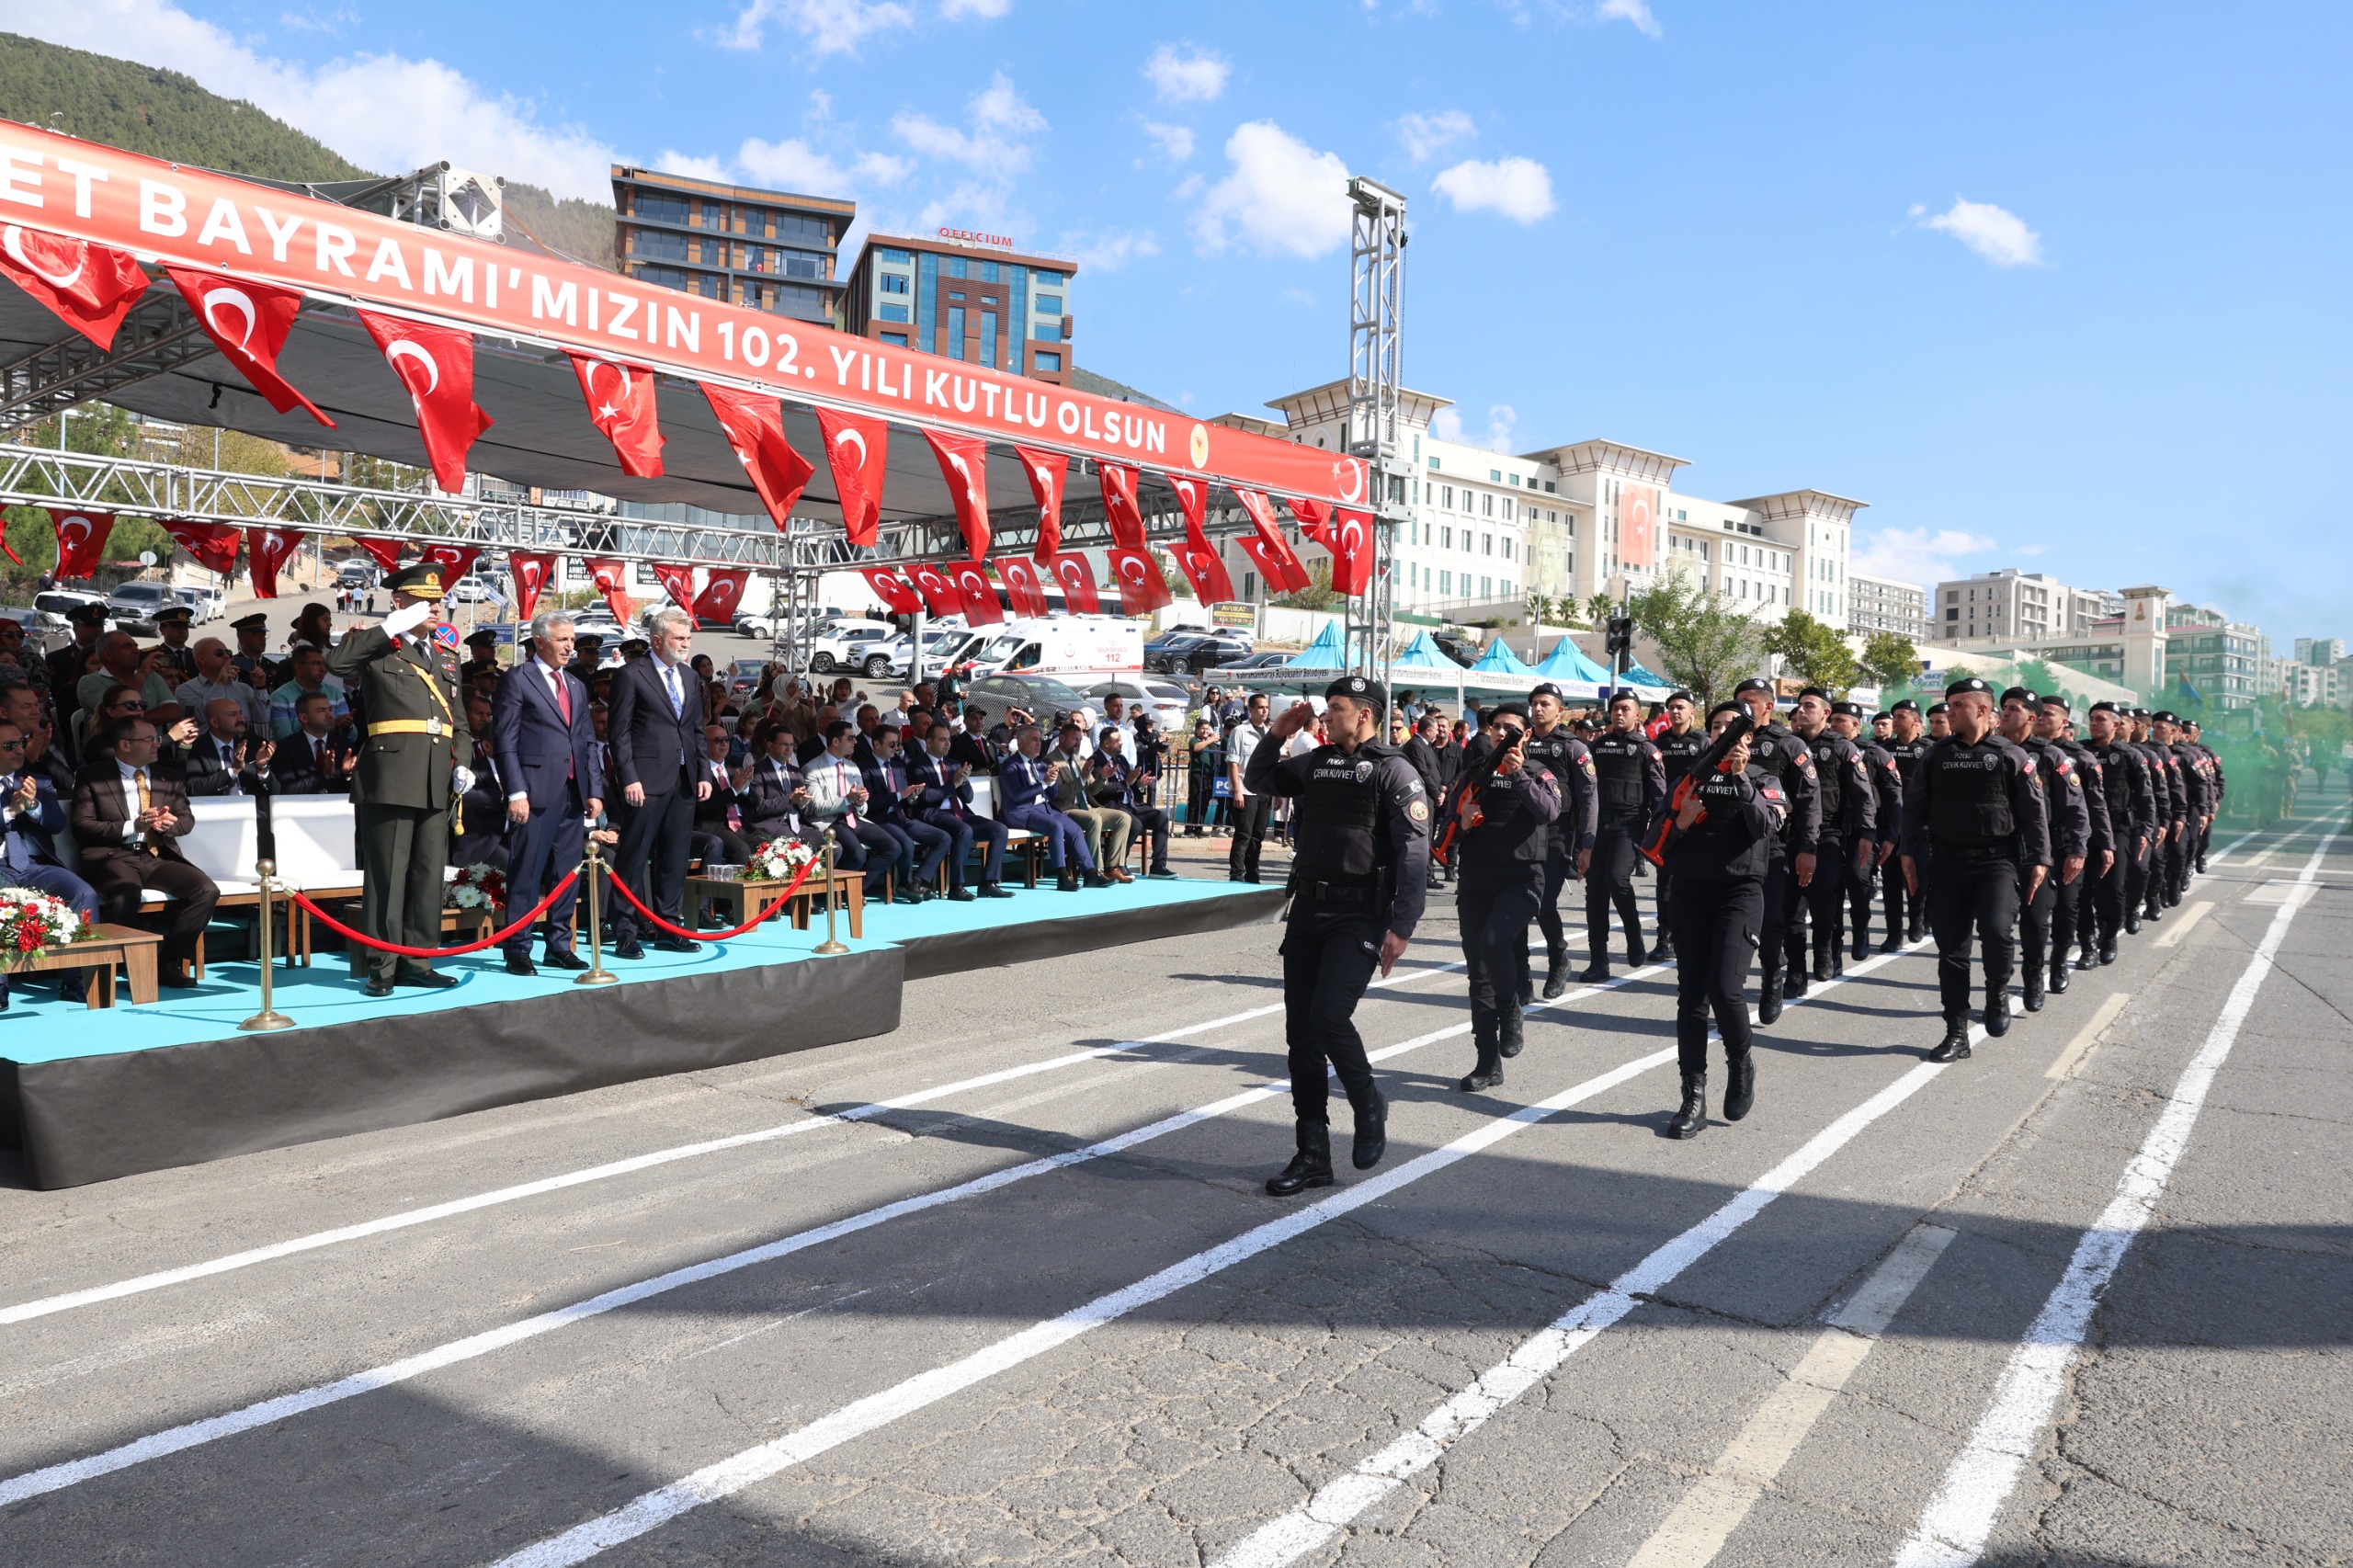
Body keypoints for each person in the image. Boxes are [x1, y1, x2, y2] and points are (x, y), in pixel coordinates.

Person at [1245, 676, 1430, 1197]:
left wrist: (1402, 926)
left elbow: (1415, 854)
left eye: (1337, 708)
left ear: (1366, 714)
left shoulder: (1395, 771)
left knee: (1329, 1017)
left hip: (1359, 915)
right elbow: (1262, 779)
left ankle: (1368, 1103)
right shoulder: (1319, 761)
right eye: (1327, 708)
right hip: (1308, 911)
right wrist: (1277, 735)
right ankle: (1313, 1155)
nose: (1326, 716)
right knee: (1300, 1036)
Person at [325, 564, 471, 996]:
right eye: (425, 601)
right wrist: (388, 626)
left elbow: (458, 722)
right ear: (400, 602)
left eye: (439, 601)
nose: (436, 607)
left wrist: (462, 761)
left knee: (429, 873)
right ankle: (382, 963)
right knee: (388, 874)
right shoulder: (378, 647)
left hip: (435, 777)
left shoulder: (445, 657)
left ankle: (418, 959)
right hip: (389, 775)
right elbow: (336, 662)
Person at [1900, 677, 2052, 1061]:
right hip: (1947, 861)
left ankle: (1998, 991)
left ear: (1982, 710)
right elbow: (1914, 808)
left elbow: (2035, 814)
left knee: (1998, 933)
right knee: (1951, 951)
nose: (1948, 712)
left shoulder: (2011, 756)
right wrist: (1907, 853)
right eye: (1948, 706)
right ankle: (1956, 1031)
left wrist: (2040, 860)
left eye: (1956, 706)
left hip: (1996, 861)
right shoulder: (1936, 755)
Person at [1656, 703, 1790, 1138]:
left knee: (1726, 989)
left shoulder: (1765, 781)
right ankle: (1692, 1096)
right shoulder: (1687, 782)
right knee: (1691, 997)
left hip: (1739, 894)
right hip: (1690, 891)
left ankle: (1741, 1063)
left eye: (1735, 731)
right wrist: (1682, 821)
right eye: (1718, 729)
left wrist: (1740, 780)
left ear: (1750, 740)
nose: (1727, 737)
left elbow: (1765, 827)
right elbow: (1655, 842)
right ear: (1708, 735)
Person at [1440, 701, 1561, 1092]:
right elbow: (1447, 831)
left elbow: (1549, 813)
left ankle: (1511, 1010)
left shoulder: (1539, 773)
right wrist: (1460, 820)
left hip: (1522, 877)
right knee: (1478, 974)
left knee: (1496, 944)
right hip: (1477, 879)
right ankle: (1487, 1064)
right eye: (1495, 727)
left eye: (1509, 728)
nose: (1500, 732)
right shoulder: (1473, 775)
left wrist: (1519, 776)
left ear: (1525, 735)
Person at [491, 609, 602, 974]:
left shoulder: (576, 685)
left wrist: (594, 789)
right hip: (535, 792)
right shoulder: (518, 679)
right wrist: (515, 792)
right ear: (539, 641)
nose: (570, 647)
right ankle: (518, 948)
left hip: (572, 792)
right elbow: (505, 742)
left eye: (572, 640)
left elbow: (586, 741)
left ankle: (558, 943)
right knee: (527, 871)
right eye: (562, 640)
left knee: (568, 873)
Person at [68, 715, 217, 986]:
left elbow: (187, 821)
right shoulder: (93, 776)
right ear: (125, 744)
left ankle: (167, 962)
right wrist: (131, 825)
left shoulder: (168, 776)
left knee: (206, 890)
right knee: (126, 894)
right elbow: (81, 826)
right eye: (149, 739)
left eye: (157, 738)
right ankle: (116, 969)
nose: (157, 744)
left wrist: (168, 825)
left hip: (156, 854)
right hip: (112, 855)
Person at [604, 608, 710, 956]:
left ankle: (668, 925)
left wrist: (704, 773)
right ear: (657, 640)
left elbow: (696, 730)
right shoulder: (631, 675)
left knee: (674, 858)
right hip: (645, 781)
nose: (686, 644)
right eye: (680, 638)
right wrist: (628, 777)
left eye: (688, 638)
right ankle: (624, 929)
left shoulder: (690, 677)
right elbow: (618, 734)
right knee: (634, 857)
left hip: (683, 780)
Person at [1733, 677, 1821, 1023]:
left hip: (1773, 847)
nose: (1742, 707)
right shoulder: (1725, 740)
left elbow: (1809, 800)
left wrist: (1808, 846)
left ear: (1768, 706)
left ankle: (1773, 975)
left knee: (1771, 923)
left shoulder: (1789, 744)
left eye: (1749, 701)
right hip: (1728, 846)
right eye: (1737, 700)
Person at [1998, 687, 2088, 1014]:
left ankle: (2036, 973)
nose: (2005, 713)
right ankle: (1999, 981)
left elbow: (2077, 807)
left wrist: (2079, 848)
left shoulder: (2051, 756)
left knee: (2037, 921)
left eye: (2014, 708)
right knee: (1999, 924)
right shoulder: (1992, 751)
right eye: (2003, 707)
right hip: (2001, 847)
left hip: (2045, 846)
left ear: (2031, 718)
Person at [0, 718, 99, 1006]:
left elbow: (55, 824)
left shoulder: (38, 781)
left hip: (31, 864)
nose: (19, 750)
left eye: (20, 742)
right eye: (9, 746)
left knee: (84, 893)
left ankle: (76, 978)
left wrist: (31, 806)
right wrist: (8, 811)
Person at [1786, 687, 1876, 983]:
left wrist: (1866, 832)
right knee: (1790, 904)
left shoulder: (1841, 747)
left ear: (1825, 713)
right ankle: (1796, 970)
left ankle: (1825, 948)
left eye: (1808, 706)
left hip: (1829, 832)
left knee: (1825, 894)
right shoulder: (1788, 744)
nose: (1801, 710)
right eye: (1799, 705)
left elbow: (1864, 794)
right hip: (1789, 832)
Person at [1578, 689, 1665, 983]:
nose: (1619, 713)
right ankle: (1598, 961)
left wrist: (1656, 834)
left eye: (1625, 708)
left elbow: (1659, 795)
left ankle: (1634, 936)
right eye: (1615, 708)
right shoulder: (1598, 746)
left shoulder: (1646, 748)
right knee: (1596, 894)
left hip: (1629, 825)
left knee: (1617, 879)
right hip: (1598, 825)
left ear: (1637, 714)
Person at [1521, 684, 1598, 997]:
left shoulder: (1573, 747)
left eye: (1545, 704)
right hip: (1522, 834)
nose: (1538, 709)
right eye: (1534, 703)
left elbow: (1589, 798)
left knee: (1542, 903)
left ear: (1560, 710)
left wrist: (1587, 845)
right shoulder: (1521, 741)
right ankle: (1520, 975)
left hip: (1557, 835)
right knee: (1520, 904)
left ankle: (1558, 960)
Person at [2037, 697, 2113, 979]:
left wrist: (2106, 843)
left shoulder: (2081, 758)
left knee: (2071, 903)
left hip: (2068, 841)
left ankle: (2061, 957)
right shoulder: (2019, 751)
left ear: (2064, 721)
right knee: (2033, 910)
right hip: (2030, 842)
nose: (2041, 718)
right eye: (2039, 713)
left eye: (2048, 714)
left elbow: (2095, 804)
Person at [1831, 699, 1904, 960]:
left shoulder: (1875, 753)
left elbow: (1895, 797)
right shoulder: (1822, 749)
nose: (1834, 724)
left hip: (1865, 831)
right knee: (1830, 888)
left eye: (1841, 720)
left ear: (1855, 724)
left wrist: (1892, 836)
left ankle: (1861, 930)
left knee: (1857, 878)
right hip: (1829, 829)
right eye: (1833, 719)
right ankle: (1833, 949)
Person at [908, 718, 1012, 899]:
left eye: (948, 739)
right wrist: (954, 783)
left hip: (960, 813)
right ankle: (957, 886)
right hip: (935, 813)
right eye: (942, 739)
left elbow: (969, 797)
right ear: (929, 742)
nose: (947, 743)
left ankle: (989, 882)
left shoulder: (954, 763)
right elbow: (925, 797)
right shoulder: (917, 765)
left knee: (1000, 829)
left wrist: (963, 782)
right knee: (964, 831)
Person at [2086, 701, 2155, 961]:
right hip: (2083, 830)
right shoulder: (2079, 752)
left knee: (2114, 889)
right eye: (2092, 718)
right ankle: (2087, 943)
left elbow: (2147, 798)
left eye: (2100, 719)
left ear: (2115, 725)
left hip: (2118, 829)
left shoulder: (2130, 755)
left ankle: (2109, 934)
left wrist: (2145, 832)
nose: (2094, 723)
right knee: (2080, 892)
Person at [806, 719, 907, 896]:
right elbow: (818, 808)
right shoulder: (812, 768)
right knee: (858, 854)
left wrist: (860, 803)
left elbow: (862, 805)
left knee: (894, 847)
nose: (856, 741)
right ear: (836, 741)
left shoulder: (852, 766)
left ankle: (856, 888)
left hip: (854, 818)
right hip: (832, 821)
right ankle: (846, 892)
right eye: (851, 738)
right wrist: (847, 800)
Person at [999, 723, 1099, 891]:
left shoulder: (1039, 764)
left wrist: (1051, 781)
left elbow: (1052, 795)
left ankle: (1090, 874)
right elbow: (1017, 796)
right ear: (1021, 742)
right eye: (1034, 740)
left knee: (1074, 829)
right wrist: (1044, 783)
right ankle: (1061, 875)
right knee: (1055, 827)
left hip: (1043, 809)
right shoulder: (1010, 765)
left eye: (1039, 740)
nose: (1038, 743)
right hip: (1021, 811)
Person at [859, 724, 949, 902]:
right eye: (892, 744)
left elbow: (906, 798)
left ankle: (917, 880)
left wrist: (912, 797)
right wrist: (901, 795)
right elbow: (870, 803)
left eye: (898, 744)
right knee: (906, 843)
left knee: (943, 838)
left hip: (901, 816)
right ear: (876, 744)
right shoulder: (864, 767)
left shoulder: (899, 765)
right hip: (879, 818)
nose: (896, 749)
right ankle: (906, 883)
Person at [1650, 691, 1705, 965]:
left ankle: (1694, 933)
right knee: (1665, 883)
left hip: (1698, 819)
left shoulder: (1704, 742)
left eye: (1680, 707)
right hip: (1667, 820)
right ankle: (1665, 938)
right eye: (1670, 707)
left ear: (1692, 712)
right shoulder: (1659, 743)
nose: (1674, 712)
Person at [1049, 718, 1132, 881]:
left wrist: (1102, 777)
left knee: (1123, 818)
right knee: (1094, 819)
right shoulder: (1051, 761)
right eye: (1074, 739)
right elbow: (1058, 793)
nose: (1078, 743)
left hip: (1086, 805)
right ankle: (1095, 870)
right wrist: (1080, 780)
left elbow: (1092, 790)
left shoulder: (1080, 760)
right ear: (1062, 738)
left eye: (1080, 739)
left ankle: (1112, 867)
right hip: (1065, 809)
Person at [1880, 700, 1933, 948]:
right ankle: (1893, 934)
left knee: (1918, 876)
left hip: (1918, 825)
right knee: (1890, 881)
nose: (1895, 720)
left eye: (1901, 716)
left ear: (1915, 721)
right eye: (1894, 716)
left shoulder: (1929, 749)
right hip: (1890, 824)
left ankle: (1918, 919)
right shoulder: (1884, 749)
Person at [1093, 726, 1174, 878]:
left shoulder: (1121, 759)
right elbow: (1100, 790)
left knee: (1161, 817)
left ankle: (1158, 866)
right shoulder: (1095, 761)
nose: (1122, 743)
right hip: (1111, 806)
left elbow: (1129, 784)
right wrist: (1127, 783)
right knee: (1135, 824)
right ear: (1106, 743)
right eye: (1117, 740)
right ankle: (1116, 864)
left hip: (1130, 803)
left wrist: (1138, 784)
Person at [450, 692, 513, 870]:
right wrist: (503, 796)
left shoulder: (518, 770)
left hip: (517, 839)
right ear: (487, 746)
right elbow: (465, 796)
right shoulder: (470, 766)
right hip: (485, 844)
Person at [174, 636, 272, 740]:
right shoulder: (185, 689)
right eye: (219, 653)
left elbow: (262, 718)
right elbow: (201, 717)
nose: (226, 656)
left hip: (243, 747)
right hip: (209, 751)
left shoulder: (243, 688)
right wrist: (219, 683)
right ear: (201, 659)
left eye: (228, 652)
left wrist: (260, 686)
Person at [181, 696, 275, 797]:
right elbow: (193, 789)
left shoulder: (256, 744)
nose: (241, 718)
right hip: (214, 809)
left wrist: (261, 768)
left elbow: (276, 792)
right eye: (232, 714)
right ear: (215, 722)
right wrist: (234, 770)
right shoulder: (196, 748)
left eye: (240, 713)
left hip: (252, 809)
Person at [694, 723, 756, 867]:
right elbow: (703, 805)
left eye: (726, 739)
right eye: (718, 740)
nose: (724, 743)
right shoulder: (697, 772)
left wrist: (745, 789)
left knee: (767, 843)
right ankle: (738, 889)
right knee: (742, 850)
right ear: (704, 744)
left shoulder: (735, 769)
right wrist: (734, 790)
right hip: (716, 826)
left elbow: (755, 804)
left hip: (741, 825)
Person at [1226, 692, 1274, 881]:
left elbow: (1272, 764)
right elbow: (1233, 762)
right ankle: (1237, 874)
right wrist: (1237, 790)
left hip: (1264, 791)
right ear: (1251, 709)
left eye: (1267, 707)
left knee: (1258, 837)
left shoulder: (1270, 733)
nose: (1264, 711)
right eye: (1261, 707)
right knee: (1243, 835)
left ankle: (1253, 874)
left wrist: (1276, 792)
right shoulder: (1240, 731)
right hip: (1245, 790)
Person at [274, 691, 356, 794]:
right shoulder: (285, 748)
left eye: (330, 709)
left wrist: (347, 775)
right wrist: (323, 774)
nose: (329, 715)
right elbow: (287, 791)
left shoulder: (345, 747)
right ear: (304, 718)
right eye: (321, 710)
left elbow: (355, 793)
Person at [268, 642, 349, 739]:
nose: (323, 669)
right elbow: (284, 738)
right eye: (316, 664)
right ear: (299, 667)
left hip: (332, 751)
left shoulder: (334, 693)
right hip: (295, 753)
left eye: (324, 664)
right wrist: (326, 725)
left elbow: (352, 737)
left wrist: (348, 726)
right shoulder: (280, 697)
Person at [150, 603, 198, 681]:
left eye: (185, 626)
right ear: (162, 629)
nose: (182, 631)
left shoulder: (196, 655)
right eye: (176, 626)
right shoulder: (153, 656)